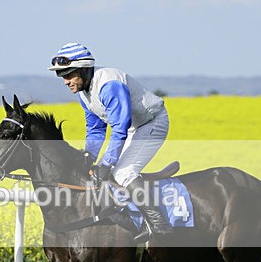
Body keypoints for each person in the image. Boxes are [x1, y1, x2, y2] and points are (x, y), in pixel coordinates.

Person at [47, 42, 171, 241]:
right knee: (101, 174)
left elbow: (120, 127)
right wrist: (89, 157)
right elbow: (96, 129)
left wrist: (107, 163)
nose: (65, 81)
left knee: (122, 172)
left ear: (84, 70)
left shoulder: (109, 85)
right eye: (62, 76)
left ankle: (158, 224)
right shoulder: (84, 94)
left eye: (69, 75)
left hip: (151, 124)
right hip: (132, 128)